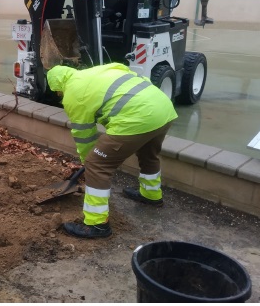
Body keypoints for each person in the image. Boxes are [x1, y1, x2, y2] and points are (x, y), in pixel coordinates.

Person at [46, 64, 178, 239]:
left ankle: (97, 224)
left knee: (97, 164)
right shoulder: (97, 71)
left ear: (58, 88)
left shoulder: (72, 93)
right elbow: (125, 70)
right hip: (163, 108)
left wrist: (89, 161)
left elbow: (84, 134)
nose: (60, 96)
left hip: (139, 116)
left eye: (58, 93)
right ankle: (151, 195)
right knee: (148, 154)